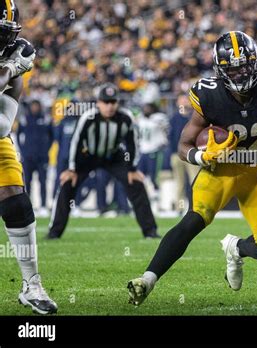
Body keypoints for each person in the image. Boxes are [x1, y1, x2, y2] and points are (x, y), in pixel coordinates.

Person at [128, 31, 257, 306]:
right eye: (232, 69)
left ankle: (235, 248)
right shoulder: (208, 95)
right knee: (194, 219)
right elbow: (183, 145)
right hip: (221, 168)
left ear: (256, 62)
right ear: (219, 70)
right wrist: (201, 157)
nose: (239, 74)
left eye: (244, 66)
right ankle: (147, 279)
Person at [0, 0, 57, 314]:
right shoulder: (10, 61)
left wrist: (11, 71)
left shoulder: (13, 52)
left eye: (3, 33)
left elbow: (3, 123)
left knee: (17, 201)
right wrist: (9, 69)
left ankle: (31, 285)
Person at [47, 83, 159, 239]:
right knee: (67, 184)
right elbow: (76, 142)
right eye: (106, 102)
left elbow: (132, 143)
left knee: (136, 184)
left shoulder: (125, 118)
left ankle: (150, 231)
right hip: (88, 156)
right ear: (98, 102)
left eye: (113, 102)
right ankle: (54, 232)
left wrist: (132, 169)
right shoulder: (89, 117)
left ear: (117, 103)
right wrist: (72, 169)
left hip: (114, 156)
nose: (109, 106)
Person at [17, 99, 53, 216]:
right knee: (27, 183)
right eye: (33, 106)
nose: (35, 108)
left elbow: (52, 136)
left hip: (42, 158)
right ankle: (28, 206)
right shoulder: (24, 119)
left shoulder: (46, 119)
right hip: (28, 158)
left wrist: (46, 149)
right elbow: (18, 135)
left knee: (43, 182)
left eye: (37, 106)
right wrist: (23, 150)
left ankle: (43, 206)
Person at [168, 94, 199, 213]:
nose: (183, 102)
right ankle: (180, 208)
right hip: (177, 155)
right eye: (181, 100)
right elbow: (170, 138)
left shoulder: (195, 117)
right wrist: (172, 153)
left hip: (191, 154)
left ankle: (196, 208)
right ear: (177, 103)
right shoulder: (174, 118)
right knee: (179, 183)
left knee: (194, 182)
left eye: (185, 100)